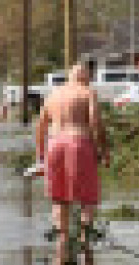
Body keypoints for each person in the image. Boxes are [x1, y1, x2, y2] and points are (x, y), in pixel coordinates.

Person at [36, 63, 108, 246]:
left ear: (70, 77)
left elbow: (41, 126)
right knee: (87, 198)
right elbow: (95, 122)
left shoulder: (54, 94)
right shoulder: (87, 93)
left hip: (55, 145)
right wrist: (103, 150)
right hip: (79, 143)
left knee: (59, 198)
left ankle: (62, 243)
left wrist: (40, 155)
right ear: (86, 78)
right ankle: (84, 242)